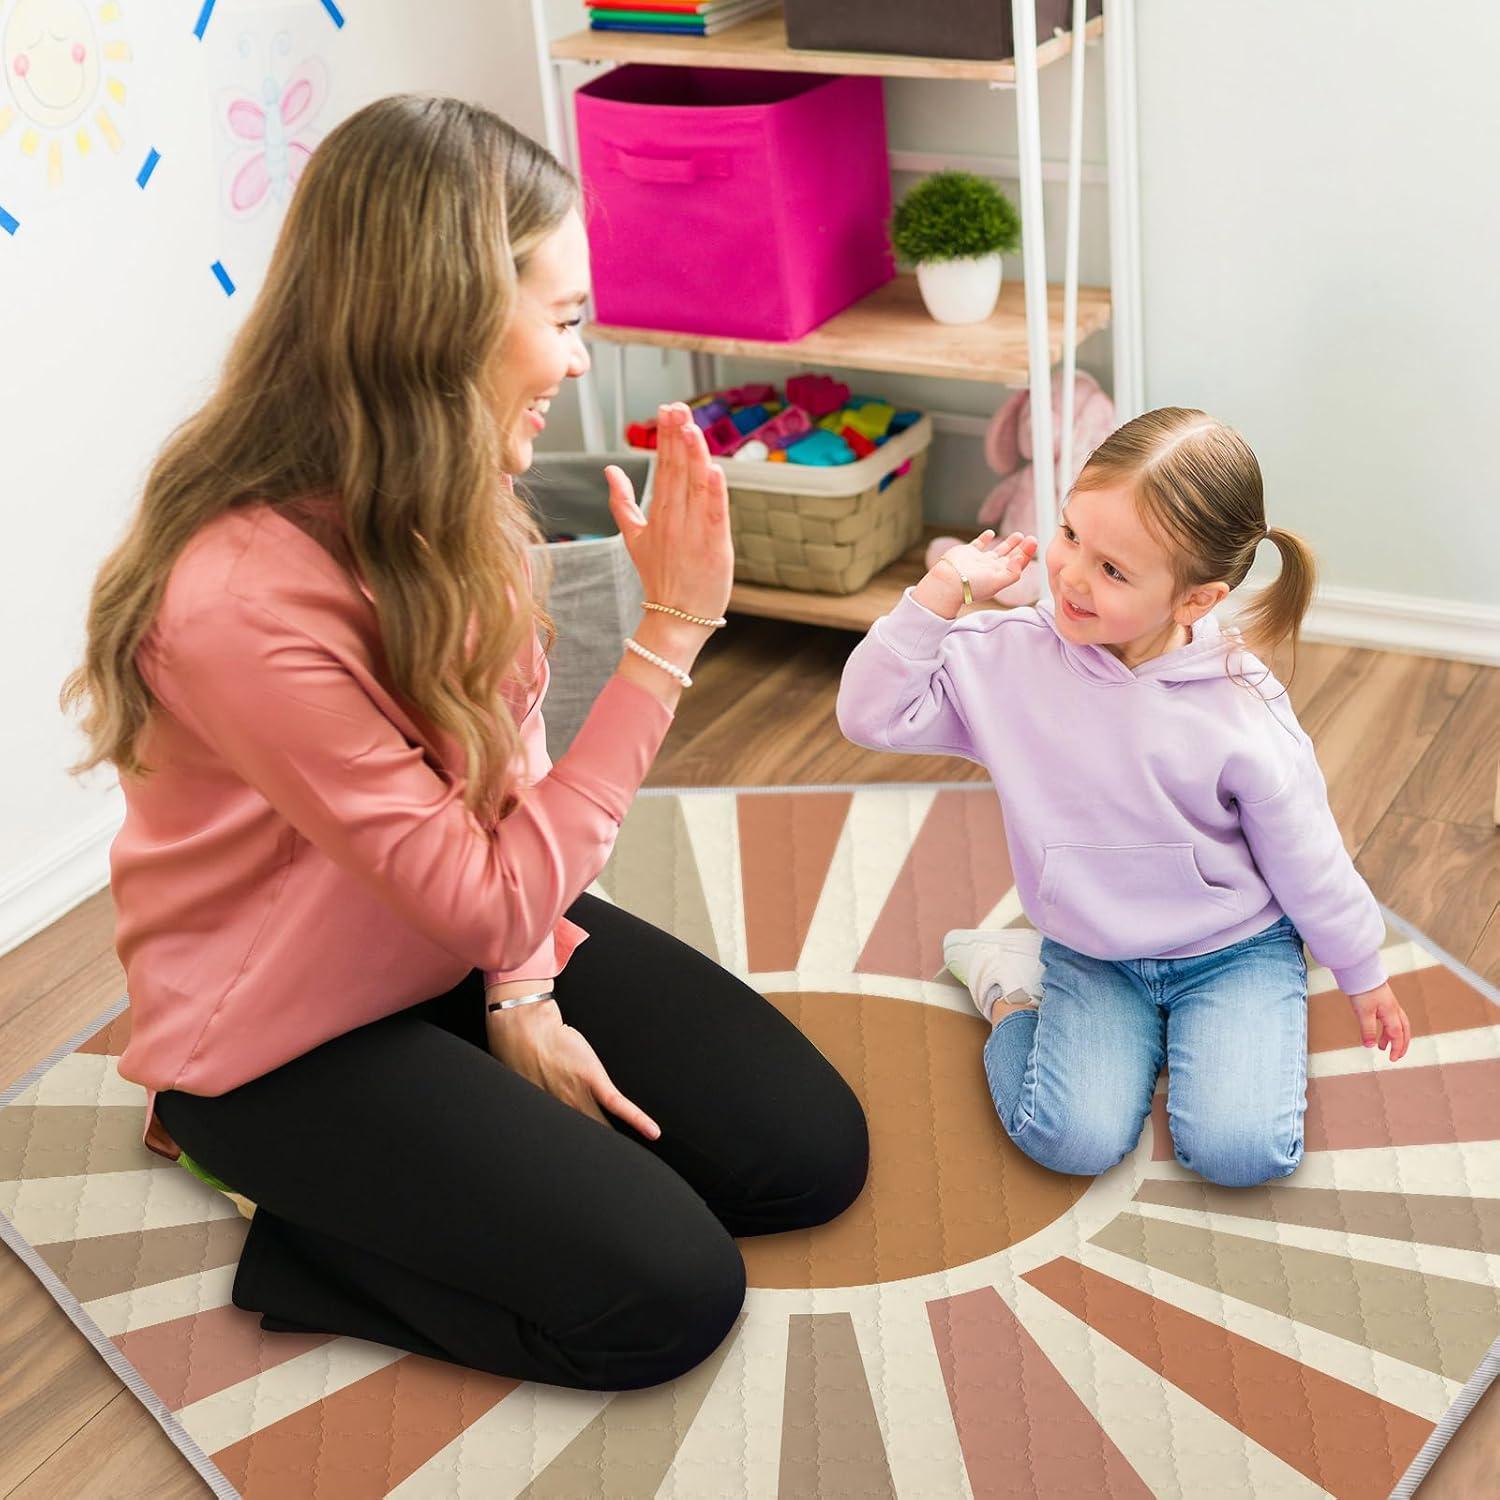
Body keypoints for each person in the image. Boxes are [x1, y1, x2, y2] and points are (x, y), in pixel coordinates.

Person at [59, 95, 868, 1392]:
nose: (578, 362)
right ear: (448, 321)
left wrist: (523, 993)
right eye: (565, 319)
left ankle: (456, 1149)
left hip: (444, 942)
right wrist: (669, 634)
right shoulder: (239, 605)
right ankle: (275, 1200)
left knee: (807, 1157)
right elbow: (488, 890)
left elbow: (508, 773)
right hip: (278, 1035)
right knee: (671, 1299)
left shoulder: (445, 483)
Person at [837, 408, 1412, 1190]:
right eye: (1071, 534)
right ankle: (1011, 991)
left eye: (1112, 570)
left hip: (1233, 951)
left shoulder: (1241, 708)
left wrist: (1360, 970)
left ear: (1195, 601)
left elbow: (1308, 854)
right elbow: (870, 717)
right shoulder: (1006, 659)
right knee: (1068, 1140)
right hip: (1092, 950)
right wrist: (939, 595)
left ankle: (1215, 1034)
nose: (1072, 575)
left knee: (1242, 1152)